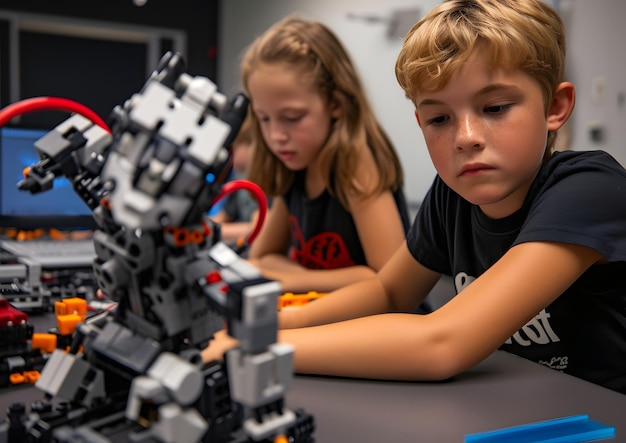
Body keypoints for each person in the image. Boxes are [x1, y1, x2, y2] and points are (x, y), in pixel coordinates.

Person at [205, 0, 626, 394]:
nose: (465, 138)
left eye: (495, 108)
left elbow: (443, 343)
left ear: (555, 106)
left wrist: (254, 349)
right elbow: (389, 291)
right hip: (513, 405)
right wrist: (274, 324)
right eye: (439, 118)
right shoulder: (451, 195)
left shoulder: (589, 189)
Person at [240, 16, 412, 294]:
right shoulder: (295, 165)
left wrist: (291, 279)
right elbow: (261, 257)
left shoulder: (356, 163)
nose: (276, 136)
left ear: (334, 104)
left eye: (292, 117)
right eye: (264, 119)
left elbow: (389, 279)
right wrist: (296, 276)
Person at [210, 115, 260, 247]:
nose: (230, 157)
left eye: (236, 148)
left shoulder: (265, 182)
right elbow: (224, 216)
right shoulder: (239, 175)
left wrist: (209, 232)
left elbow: (257, 229)